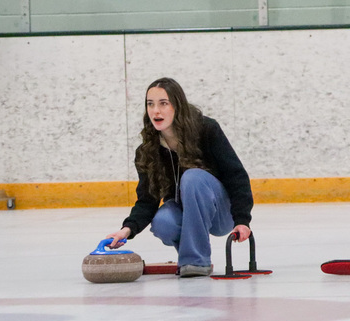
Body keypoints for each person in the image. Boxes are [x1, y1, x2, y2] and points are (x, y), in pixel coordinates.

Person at [105, 78, 253, 277]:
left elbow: (236, 176)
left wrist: (242, 219)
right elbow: (147, 200)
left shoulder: (206, 130)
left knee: (192, 178)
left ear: (177, 106)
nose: (155, 111)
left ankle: (196, 261)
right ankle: (192, 260)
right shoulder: (148, 150)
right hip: (187, 215)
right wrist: (127, 229)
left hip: (221, 213)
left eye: (163, 103)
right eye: (150, 104)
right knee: (163, 222)